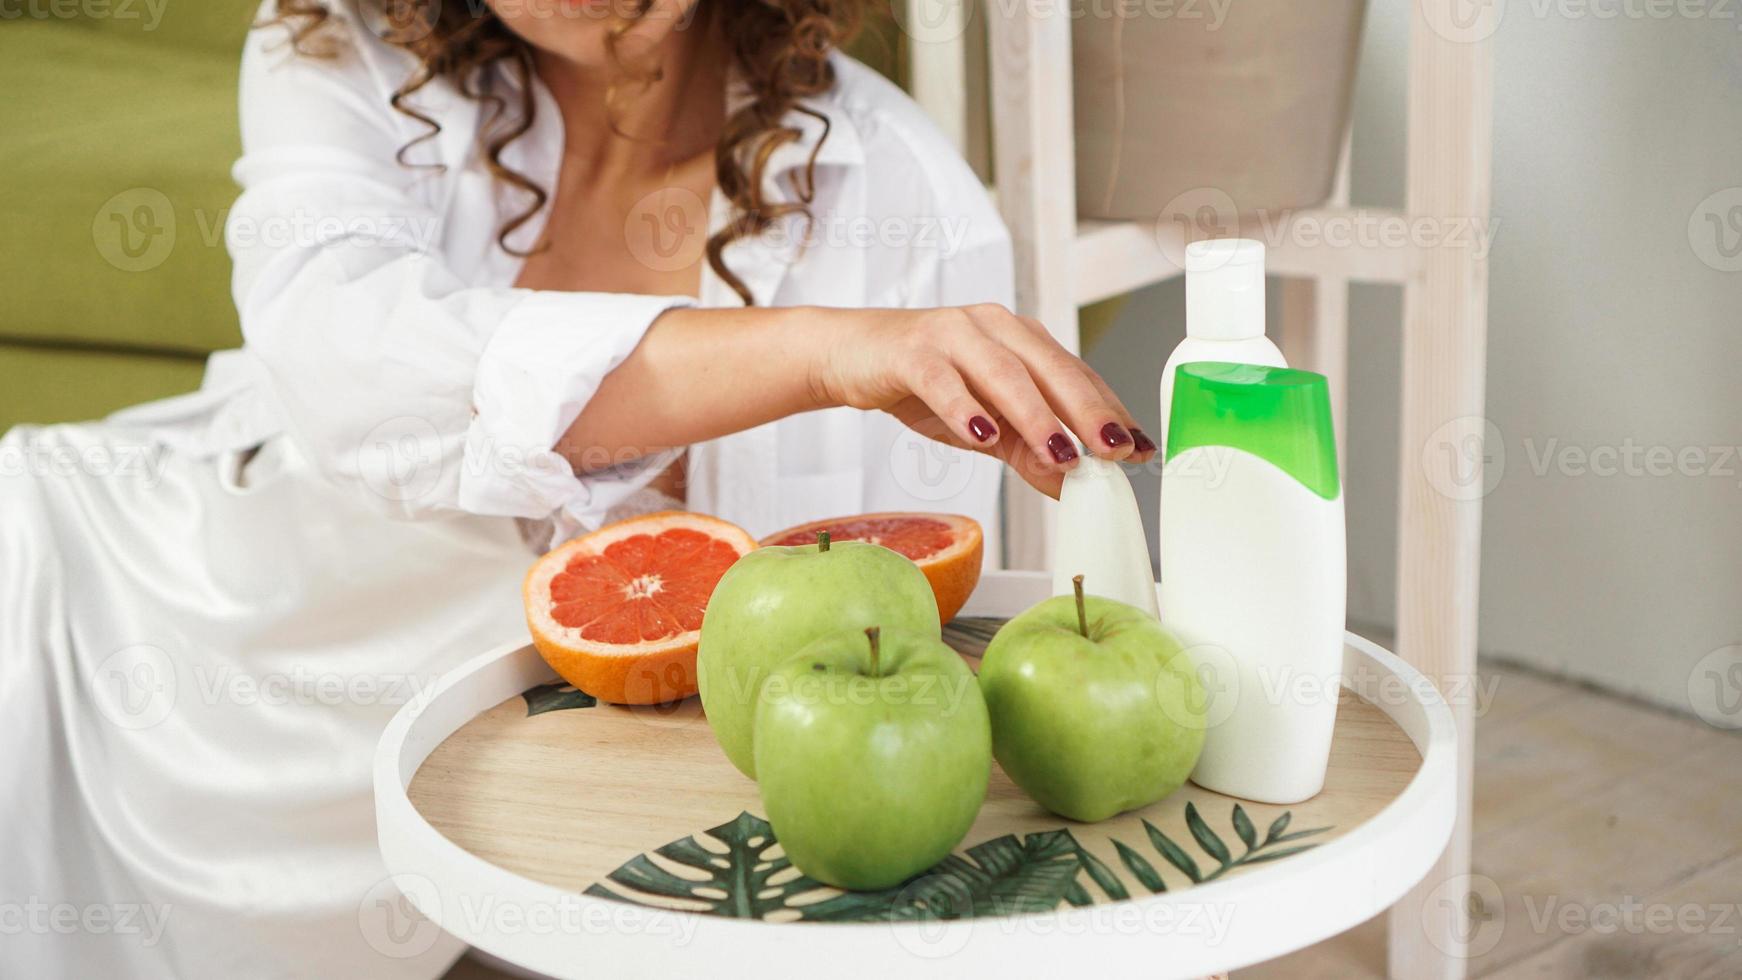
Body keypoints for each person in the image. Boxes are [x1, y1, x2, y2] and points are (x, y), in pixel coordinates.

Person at [0, 0, 1155, 976]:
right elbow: (344, 365)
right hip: (163, 592)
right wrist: (810, 355)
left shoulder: (906, 203)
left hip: (488, 739)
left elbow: (883, 648)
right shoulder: (332, 42)